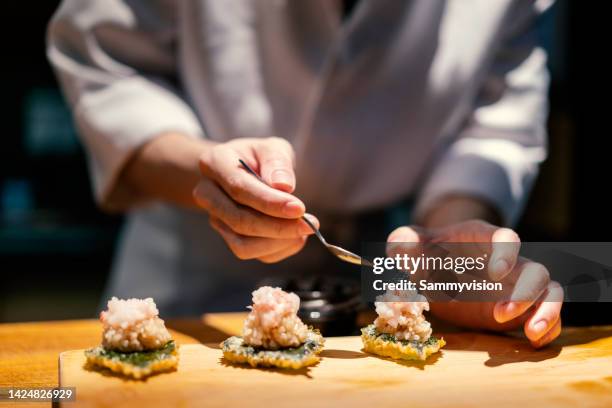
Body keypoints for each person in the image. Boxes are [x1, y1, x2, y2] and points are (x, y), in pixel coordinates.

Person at [47, 0, 561, 347]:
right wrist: (204, 172)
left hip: (376, 277)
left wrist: (451, 256)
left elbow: (494, 127)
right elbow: (107, 66)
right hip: (188, 286)